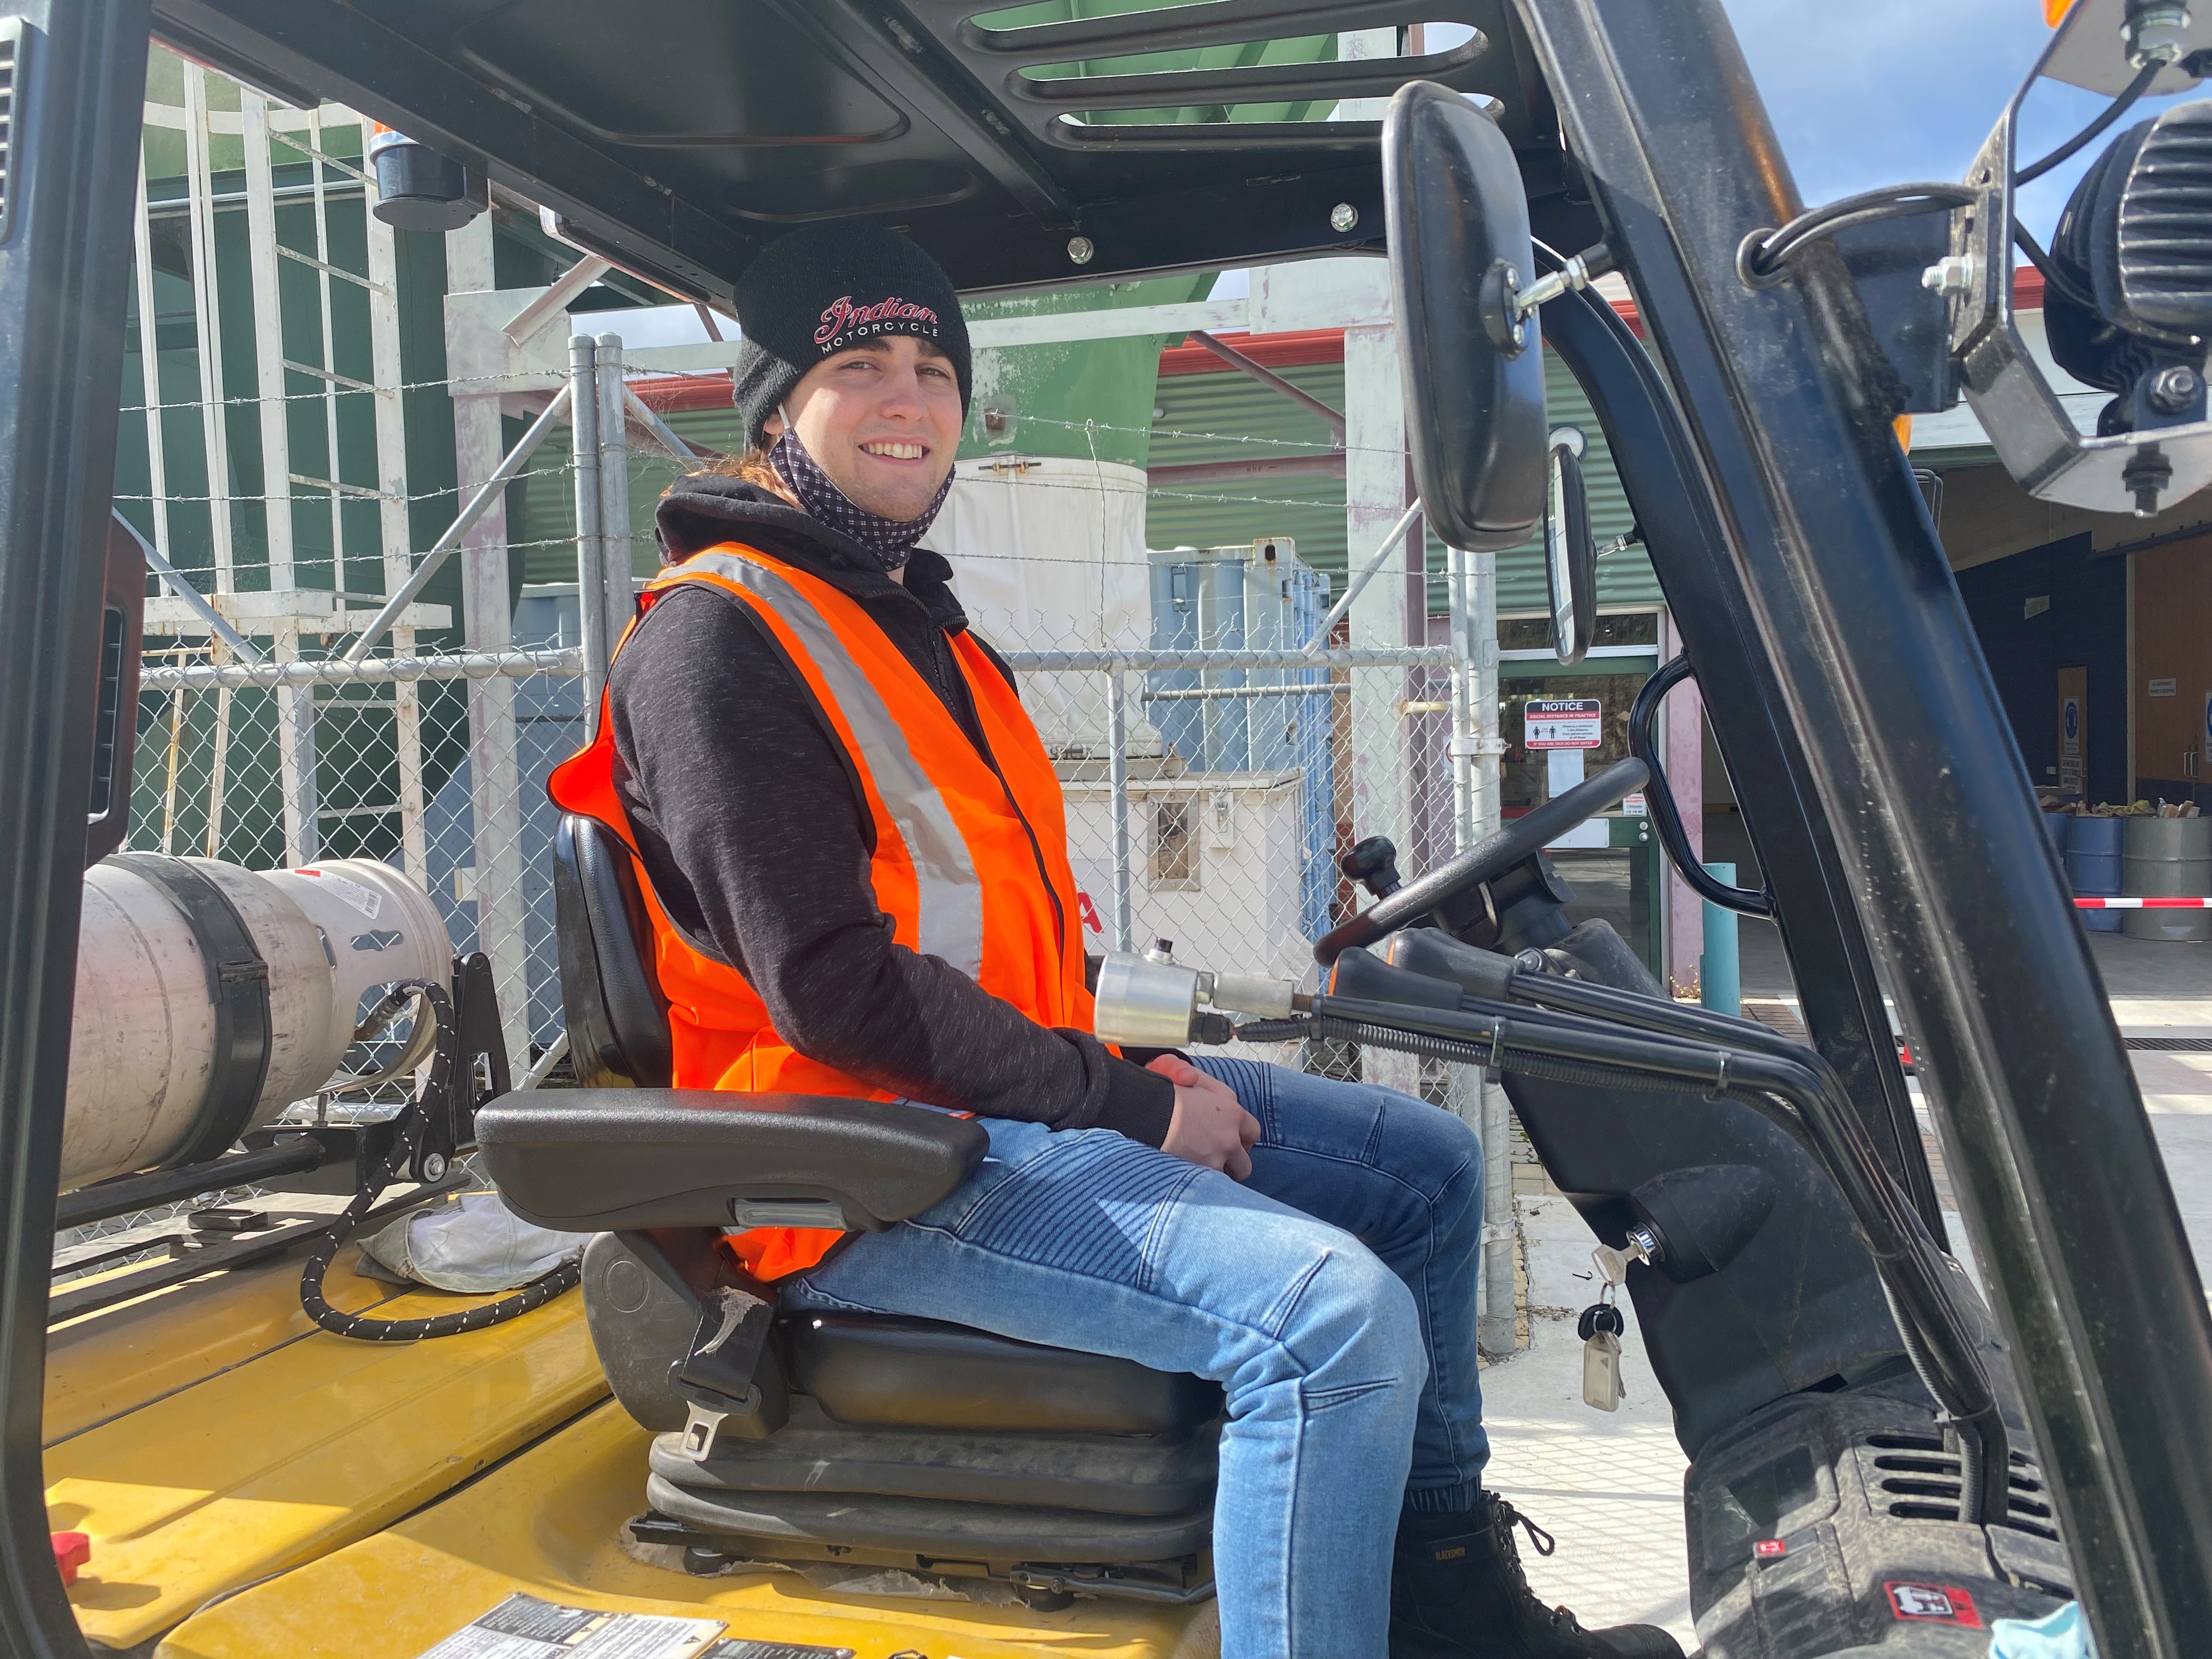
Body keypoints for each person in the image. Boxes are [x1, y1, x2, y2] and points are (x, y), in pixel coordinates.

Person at [548, 222, 1681, 1659]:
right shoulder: (722, 645)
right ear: (779, 410)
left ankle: (1448, 1598)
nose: (908, 401)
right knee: (1329, 1326)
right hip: (858, 1170)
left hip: (1005, 1111)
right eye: (860, 369)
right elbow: (829, 988)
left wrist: (1141, 1069)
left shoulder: (928, 637)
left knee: (1427, 1168)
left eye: (931, 368)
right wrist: (1135, 1106)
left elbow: (995, 938)